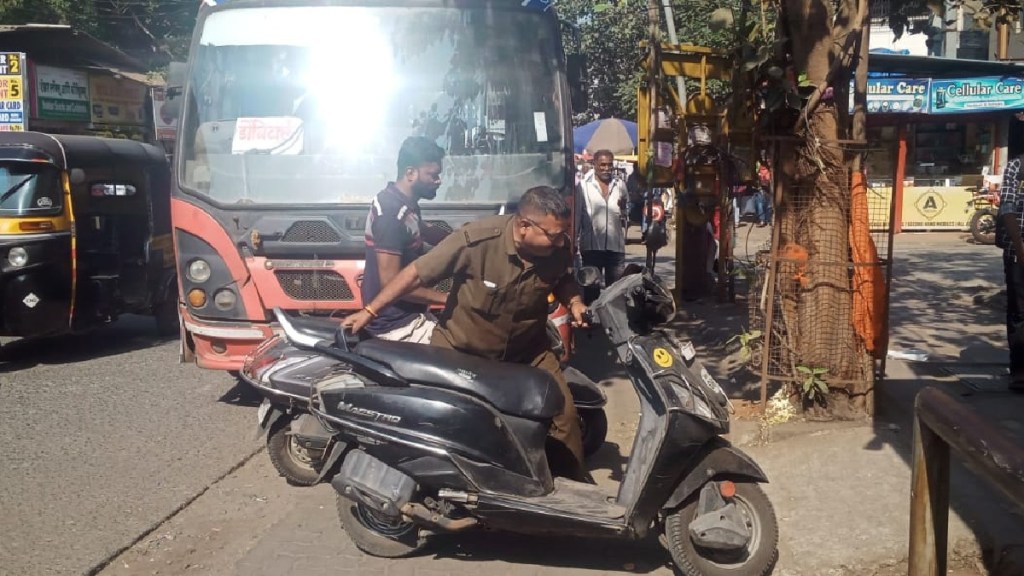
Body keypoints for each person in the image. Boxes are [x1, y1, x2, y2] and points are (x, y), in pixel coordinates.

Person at [343, 186, 592, 477]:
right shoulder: (476, 240)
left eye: (562, 234)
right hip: (461, 352)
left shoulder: (555, 247)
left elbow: (563, 278)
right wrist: (370, 311)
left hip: (528, 351)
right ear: (524, 226)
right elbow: (413, 274)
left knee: (565, 415)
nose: (560, 241)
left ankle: (569, 489)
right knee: (452, 424)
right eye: (553, 235)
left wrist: (574, 301)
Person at [359, 136, 449, 343]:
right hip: (397, 326)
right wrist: (448, 299)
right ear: (410, 173)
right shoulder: (391, 214)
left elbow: (420, 229)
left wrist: (465, 242)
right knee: (468, 353)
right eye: (433, 175)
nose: (438, 181)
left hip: (410, 316)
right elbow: (392, 284)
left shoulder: (404, 202)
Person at [577, 149, 627, 302]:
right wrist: (573, 241)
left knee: (616, 291)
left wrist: (624, 209)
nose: (606, 168)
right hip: (592, 247)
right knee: (592, 289)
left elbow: (625, 209)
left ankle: (613, 322)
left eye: (609, 165)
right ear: (595, 165)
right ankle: (592, 321)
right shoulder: (583, 186)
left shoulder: (619, 184)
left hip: (615, 247)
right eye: (602, 165)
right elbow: (578, 215)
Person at [996, 154, 1024, 393]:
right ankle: (1020, 375)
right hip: (1019, 254)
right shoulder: (1017, 166)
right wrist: (1020, 247)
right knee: (1019, 313)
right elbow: (1007, 209)